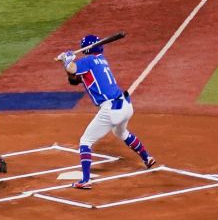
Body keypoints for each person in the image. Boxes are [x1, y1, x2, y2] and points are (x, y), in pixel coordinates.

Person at [58, 34, 157, 189]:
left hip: (111, 109)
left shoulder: (88, 61)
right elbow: (74, 80)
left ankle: (85, 180)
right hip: (125, 105)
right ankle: (147, 157)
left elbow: (72, 68)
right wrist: (67, 62)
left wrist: (67, 60)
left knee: (85, 141)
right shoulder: (102, 61)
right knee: (121, 133)